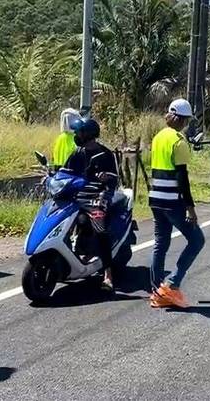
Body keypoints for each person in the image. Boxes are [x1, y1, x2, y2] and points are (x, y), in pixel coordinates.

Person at [148, 98, 205, 309]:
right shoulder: (179, 141)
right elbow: (182, 178)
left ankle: (156, 291)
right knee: (197, 240)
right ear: (182, 120)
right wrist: (190, 208)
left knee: (160, 244)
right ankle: (172, 284)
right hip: (173, 202)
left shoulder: (158, 137)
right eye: (187, 120)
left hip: (156, 199)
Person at [62, 118, 119, 291]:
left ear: (88, 134)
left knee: (100, 229)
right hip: (78, 195)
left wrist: (106, 177)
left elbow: (114, 179)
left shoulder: (106, 154)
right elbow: (65, 172)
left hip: (99, 195)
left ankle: (108, 274)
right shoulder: (77, 153)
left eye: (79, 133)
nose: (76, 136)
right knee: (74, 220)